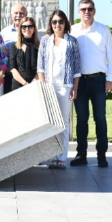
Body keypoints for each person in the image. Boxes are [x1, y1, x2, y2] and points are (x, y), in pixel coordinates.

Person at [70, 0, 112, 168]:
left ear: (94, 11)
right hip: (80, 82)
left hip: (98, 81)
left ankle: (101, 155)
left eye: (89, 9)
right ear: (78, 12)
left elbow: (111, 55)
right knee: (81, 119)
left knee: (100, 119)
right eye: (83, 9)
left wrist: (110, 78)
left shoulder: (103, 30)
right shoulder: (73, 31)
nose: (86, 12)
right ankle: (81, 155)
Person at [36, 10, 80, 169]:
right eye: (54, 22)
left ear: (65, 23)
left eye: (60, 21)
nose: (57, 25)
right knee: (50, 123)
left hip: (66, 86)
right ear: (51, 24)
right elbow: (40, 66)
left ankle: (61, 158)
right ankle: (50, 156)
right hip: (49, 86)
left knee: (63, 123)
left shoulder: (72, 41)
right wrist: (44, 86)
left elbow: (76, 67)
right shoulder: (45, 41)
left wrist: (75, 87)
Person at [0, 3, 29, 94]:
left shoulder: (33, 32)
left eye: (21, 13)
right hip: (9, 77)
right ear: (11, 15)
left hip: (27, 78)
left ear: (26, 15)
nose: (18, 16)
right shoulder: (4, 33)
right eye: (16, 13)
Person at [9, 16, 39, 91]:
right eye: (24, 27)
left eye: (30, 26)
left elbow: (41, 69)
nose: (27, 29)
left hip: (35, 86)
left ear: (34, 28)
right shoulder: (14, 46)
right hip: (18, 86)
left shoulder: (40, 47)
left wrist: (32, 84)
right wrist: (25, 84)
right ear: (20, 29)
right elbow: (13, 68)